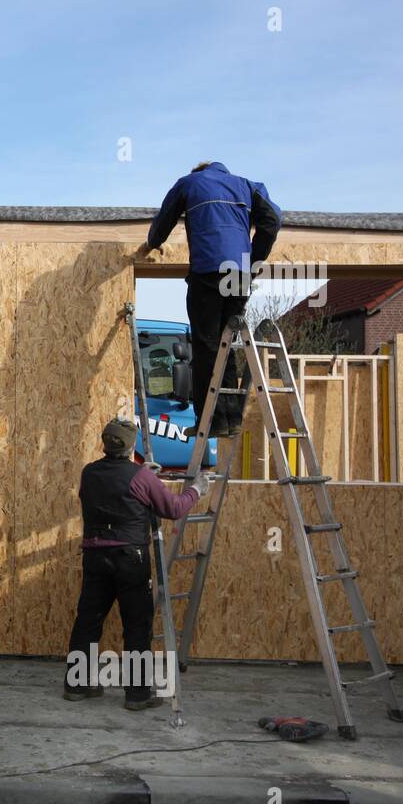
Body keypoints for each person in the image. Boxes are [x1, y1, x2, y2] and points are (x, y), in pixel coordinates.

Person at [65, 417, 211, 710]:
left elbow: (111, 488)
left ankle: (76, 686)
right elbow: (173, 508)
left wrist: (141, 474)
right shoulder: (140, 478)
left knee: (88, 621)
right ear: (132, 446)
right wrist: (197, 488)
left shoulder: (89, 472)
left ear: (105, 443)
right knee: (136, 625)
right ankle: (137, 695)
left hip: (95, 556)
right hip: (130, 558)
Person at [136, 162, 281, 437]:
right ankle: (231, 418)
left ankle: (209, 421)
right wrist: (252, 260)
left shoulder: (189, 183)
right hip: (238, 275)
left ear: (199, 172)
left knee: (205, 346)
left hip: (208, 272)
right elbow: (273, 220)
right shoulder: (249, 186)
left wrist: (154, 242)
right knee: (227, 344)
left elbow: (164, 218)